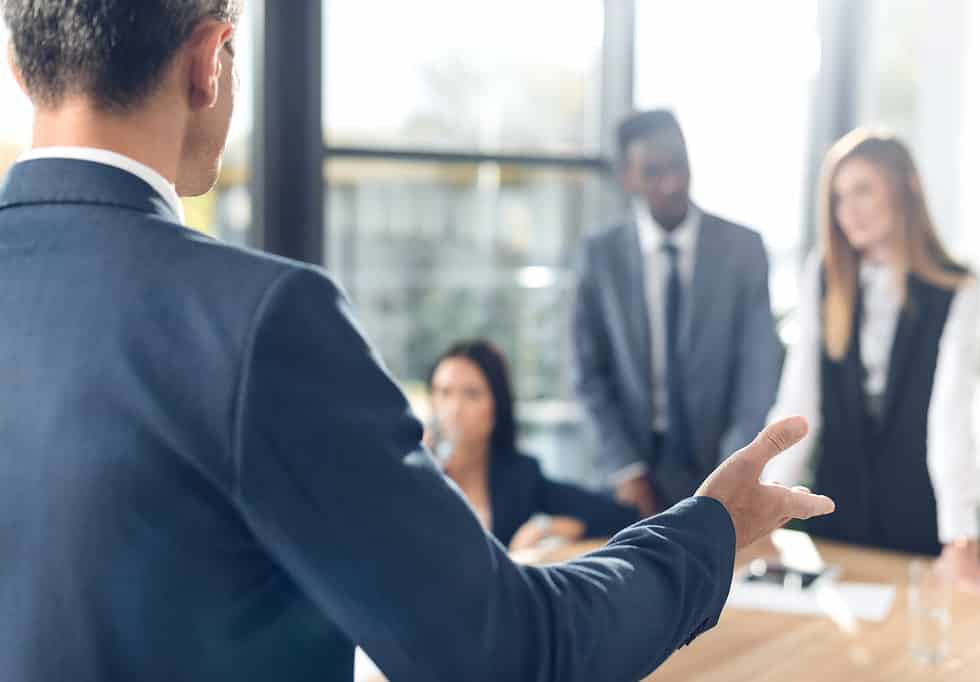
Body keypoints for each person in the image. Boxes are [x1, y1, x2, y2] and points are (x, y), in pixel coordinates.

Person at [0, 2, 834, 680]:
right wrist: (710, 529)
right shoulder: (257, 321)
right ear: (209, 58)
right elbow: (504, 650)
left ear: (19, 64)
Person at [764, 129, 980, 600]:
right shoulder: (823, 275)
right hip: (837, 521)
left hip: (922, 524)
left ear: (907, 187)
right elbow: (798, 405)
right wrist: (761, 505)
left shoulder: (959, 288)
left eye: (864, 190)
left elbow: (951, 421)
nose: (849, 211)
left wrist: (960, 541)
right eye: (840, 197)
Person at [573, 109, 783, 516]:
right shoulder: (599, 258)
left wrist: (735, 470)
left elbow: (757, 370)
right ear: (627, 177)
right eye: (653, 172)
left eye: (679, 166)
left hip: (718, 464)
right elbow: (586, 375)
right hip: (629, 472)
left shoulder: (742, 250)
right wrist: (625, 469)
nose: (671, 183)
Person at [427, 340, 640, 550]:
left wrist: (547, 527)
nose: (454, 408)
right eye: (444, 392)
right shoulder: (419, 471)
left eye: (471, 394)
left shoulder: (520, 475)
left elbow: (619, 516)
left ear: (497, 405)